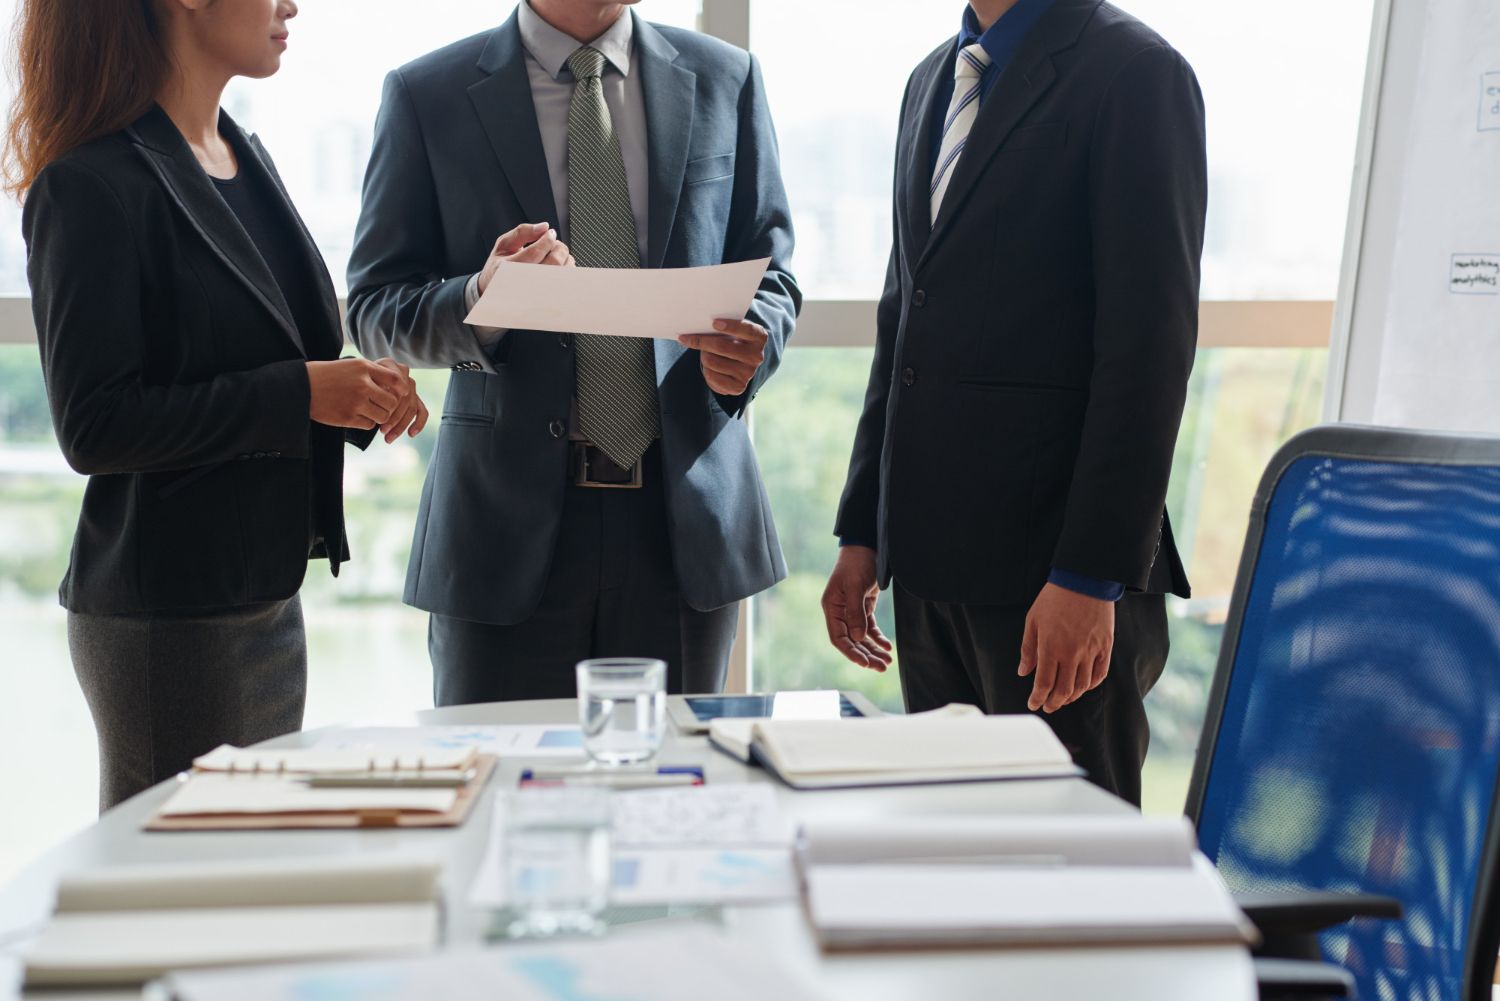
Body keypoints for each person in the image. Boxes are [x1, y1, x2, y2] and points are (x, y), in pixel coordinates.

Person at [9, 0, 428, 810]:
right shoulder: (88, 185)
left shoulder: (244, 155)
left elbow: (270, 356)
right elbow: (96, 424)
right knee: (179, 898)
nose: (291, 6)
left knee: (248, 878)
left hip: (264, 596)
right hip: (170, 615)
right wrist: (303, 391)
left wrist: (354, 389)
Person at [346, 0, 799, 704]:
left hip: (683, 526)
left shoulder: (725, 77)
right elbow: (374, 307)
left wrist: (755, 346)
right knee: (502, 795)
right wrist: (478, 297)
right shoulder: (426, 93)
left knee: (671, 799)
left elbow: (772, 271)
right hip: (502, 527)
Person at [822, 0, 1206, 806]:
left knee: (1072, 874)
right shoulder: (932, 79)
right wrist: (864, 530)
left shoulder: (1137, 74)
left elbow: (1148, 352)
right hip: (927, 570)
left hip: (1053, 579)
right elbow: (905, 324)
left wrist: (1091, 576)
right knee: (957, 857)